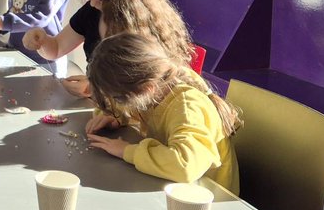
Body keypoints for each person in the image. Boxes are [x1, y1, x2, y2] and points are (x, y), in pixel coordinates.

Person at [22, 0, 193, 96]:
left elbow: (149, 87)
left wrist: (96, 87)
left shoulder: (144, 27)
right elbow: (57, 48)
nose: (93, 2)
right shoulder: (91, 12)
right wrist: (42, 40)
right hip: (103, 110)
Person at [84, 33, 241, 193]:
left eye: (116, 98)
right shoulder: (155, 87)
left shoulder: (187, 107)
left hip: (209, 200)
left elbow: (185, 165)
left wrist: (127, 151)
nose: (115, 102)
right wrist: (115, 117)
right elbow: (125, 104)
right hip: (174, 188)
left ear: (145, 89)